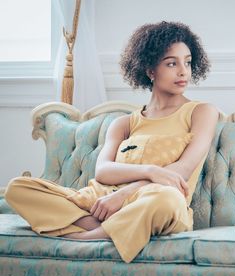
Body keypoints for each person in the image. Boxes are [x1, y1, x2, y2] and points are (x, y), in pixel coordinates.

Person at [5, 21, 219, 263]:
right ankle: (109, 228)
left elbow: (180, 172)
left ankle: (92, 236)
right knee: (18, 188)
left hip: (155, 203)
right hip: (102, 200)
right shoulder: (124, 123)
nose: (183, 71)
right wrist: (149, 171)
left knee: (167, 198)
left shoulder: (201, 112)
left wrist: (123, 195)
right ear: (150, 70)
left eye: (187, 62)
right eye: (172, 63)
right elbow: (104, 171)